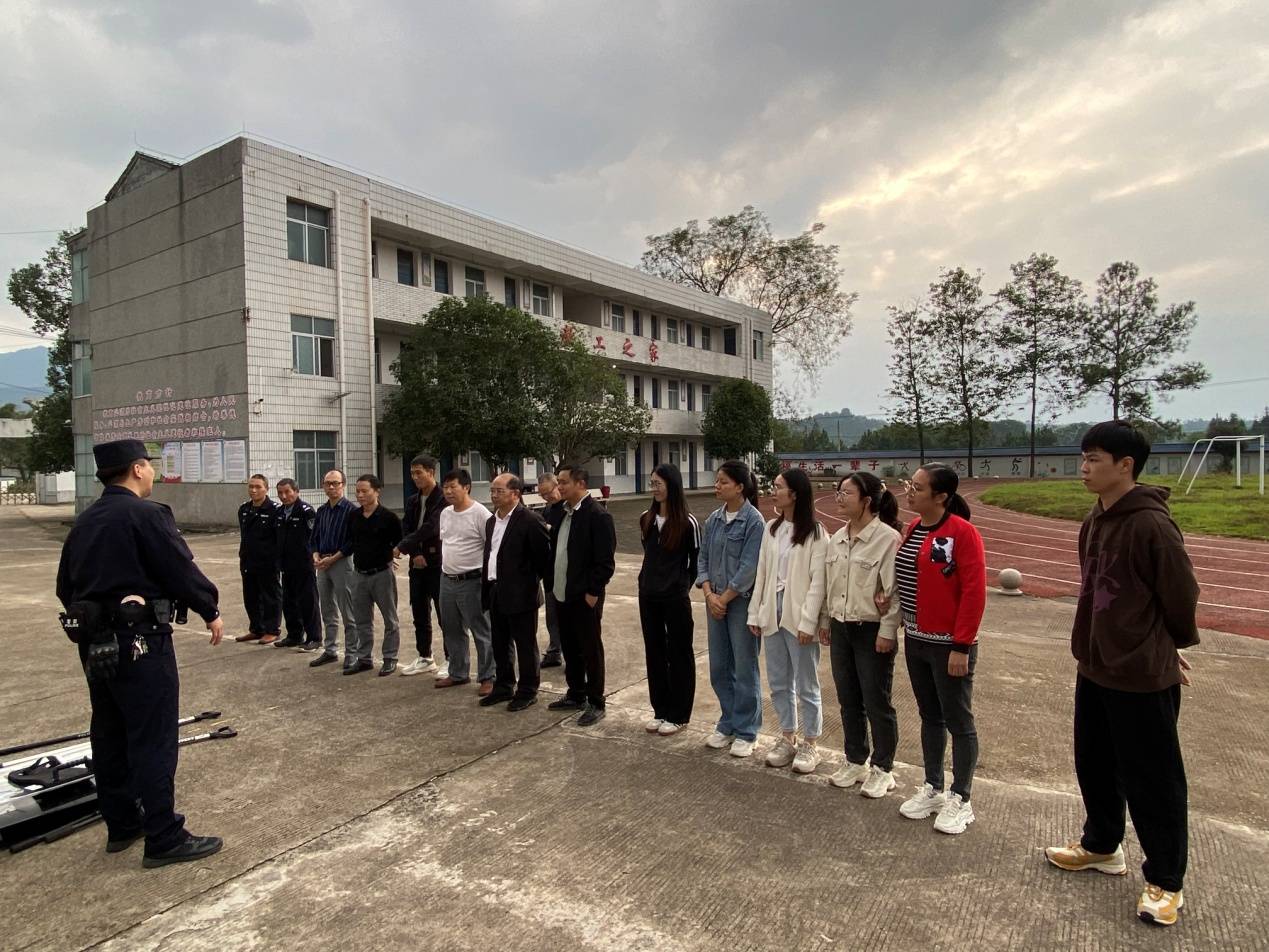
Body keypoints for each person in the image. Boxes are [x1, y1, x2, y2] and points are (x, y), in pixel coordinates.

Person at [1044, 421, 1200, 927]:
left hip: (1140, 673)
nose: (1084, 469)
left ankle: (1166, 880)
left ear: (1125, 465)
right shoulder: (1095, 519)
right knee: (1093, 761)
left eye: (1094, 459)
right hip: (1095, 665)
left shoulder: (1152, 525)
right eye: (1084, 459)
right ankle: (1101, 845)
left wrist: (1168, 646)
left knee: (1153, 779)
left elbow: (1181, 594)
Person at [55, 439, 224, 867]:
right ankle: (164, 836)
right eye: (148, 465)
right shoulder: (147, 515)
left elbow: (64, 588)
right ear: (136, 469)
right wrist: (209, 607)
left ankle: (122, 824)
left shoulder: (85, 522)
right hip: (140, 642)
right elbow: (179, 569)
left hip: (95, 646)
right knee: (152, 737)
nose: (151, 472)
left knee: (110, 732)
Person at [894, 463, 986, 835]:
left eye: (917, 487)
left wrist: (961, 646)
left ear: (941, 496)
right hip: (916, 639)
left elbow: (974, 593)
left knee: (958, 721)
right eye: (909, 485)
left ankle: (960, 798)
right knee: (929, 715)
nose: (909, 491)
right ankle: (932, 786)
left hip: (950, 644)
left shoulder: (962, 534)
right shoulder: (914, 528)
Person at [818, 471, 902, 799]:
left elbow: (892, 594)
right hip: (841, 627)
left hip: (870, 631)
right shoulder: (838, 537)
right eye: (838, 492)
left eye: (846, 493)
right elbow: (830, 586)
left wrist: (887, 631)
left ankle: (883, 768)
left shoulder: (886, 539)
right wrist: (826, 621)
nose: (839, 498)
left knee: (876, 699)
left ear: (866, 501)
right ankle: (855, 759)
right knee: (848, 699)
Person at [748, 468, 828, 774]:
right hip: (773, 611)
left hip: (798, 614)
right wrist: (757, 612)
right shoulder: (772, 528)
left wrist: (808, 623)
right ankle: (787, 736)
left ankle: (811, 742)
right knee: (779, 681)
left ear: (794, 494)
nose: (773, 490)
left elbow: (818, 582)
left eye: (779, 487)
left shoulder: (816, 533)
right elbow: (763, 574)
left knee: (806, 682)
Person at [696, 460, 765, 758]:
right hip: (715, 603)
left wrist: (723, 599)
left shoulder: (754, 521)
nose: (717, 485)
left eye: (723, 481)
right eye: (717, 481)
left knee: (744, 666)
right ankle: (728, 722)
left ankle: (747, 730)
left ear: (740, 486)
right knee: (719, 667)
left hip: (740, 604)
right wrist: (710, 594)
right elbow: (703, 560)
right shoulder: (713, 519)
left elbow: (749, 566)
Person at [546, 465, 616, 726]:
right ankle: (576, 693)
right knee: (571, 647)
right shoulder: (559, 512)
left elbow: (606, 562)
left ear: (581, 484)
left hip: (584, 595)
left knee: (590, 649)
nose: (559, 487)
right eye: (558, 482)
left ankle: (596, 701)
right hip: (562, 592)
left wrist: (593, 592)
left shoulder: (597, 516)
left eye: (564, 482)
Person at [638, 463, 700, 736]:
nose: (654, 488)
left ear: (672, 485)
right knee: (654, 652)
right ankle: (660, 709)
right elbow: (649, 555)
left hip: (675, 597)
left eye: (658, 483)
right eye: (652, 483)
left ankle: (679, 714)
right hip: (648, 596)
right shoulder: (646, 518)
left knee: (679, 653)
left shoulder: (688, 522)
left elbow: (695, 563)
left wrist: (680, 586)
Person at [481, 473, 552, 710]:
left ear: (515, 494)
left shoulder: (531, 520)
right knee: (499, 642)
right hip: (495, 590)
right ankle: (503, 686)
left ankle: (528, 690)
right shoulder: (492, 521)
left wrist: (527, 584)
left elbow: (543, 561)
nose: (493, 495)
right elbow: (490, 556)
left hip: (521, 593)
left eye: (499, 491)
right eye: (492, 490)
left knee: (525, 644)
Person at [434, 469, 495, 692]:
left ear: (466, 487)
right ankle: (458, 672)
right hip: (447, 579)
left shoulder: (480, 514)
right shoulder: (445, 513)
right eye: (445, 487)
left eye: (453, 487)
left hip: (472, 580)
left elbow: (491, 547)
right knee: (451, 628)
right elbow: (447, 542)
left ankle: (488, 676)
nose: (448, 491)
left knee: (481, 629)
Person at [345, 473, 402, 676]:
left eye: (364, 491)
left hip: (382, 575)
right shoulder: (354, 516)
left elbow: (399, 542)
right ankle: (364, 658)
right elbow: (351, 542)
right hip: (359, 575)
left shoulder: (389, 517)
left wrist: (392, 555)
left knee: (390, 619)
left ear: (377, 491)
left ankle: (390, 658)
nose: (360, 495)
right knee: (361, 619)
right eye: (357, 491)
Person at [395, 455, 445, 676]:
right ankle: (425, 656)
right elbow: (406, 527)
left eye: (419, 473)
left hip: (438, 563)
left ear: (431, 472)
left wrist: (401, 547)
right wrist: (413, 552)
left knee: (445, 614)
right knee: (419, 611)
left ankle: (452, 658)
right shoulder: (413, 500)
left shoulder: (443, 498)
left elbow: (431, 527)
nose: (415, 477)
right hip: (417, 564)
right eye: (412, 473)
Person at [308, 469, 356, 668]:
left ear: (343, 485)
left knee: (348, 611)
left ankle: (353, 652)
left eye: (336, 483)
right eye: (328, 483)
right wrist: (316, 556)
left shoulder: (351, 511)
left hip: (342, 563)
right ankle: (330, 650)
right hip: (322, 564)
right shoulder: (322, 511)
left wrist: (333, 558)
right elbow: (314, 538)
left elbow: (352, 541)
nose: (332, 487)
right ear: (323, 486)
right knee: (327, 609)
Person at [273, 478, 320, 650]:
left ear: (296, 491)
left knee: (308, 602)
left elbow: (313, 537)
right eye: (280, 493)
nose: (284, 496)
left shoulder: (306, 511)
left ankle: (314, 637)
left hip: (303, 565)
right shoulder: (279, 512)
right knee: (289, 602)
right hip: (286, 565)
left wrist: (312, 557)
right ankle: (294, 635)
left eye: (287, 492)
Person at [235, 474, 281, 644]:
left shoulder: (275, 510)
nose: (253, 490)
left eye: (258, 487)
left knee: (270, 596)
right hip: (248, 560)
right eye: (251, 487)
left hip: (267, 562)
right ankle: (256, 628)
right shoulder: (244, 509)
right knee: (251, 596)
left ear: (266, 489)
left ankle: (272, 629)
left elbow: (278, 539)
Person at [536, 472, 564, 668]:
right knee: (552, 615)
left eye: (549, 492)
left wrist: (549, 529)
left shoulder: (568, 509)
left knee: (568, 618)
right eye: (543, 495)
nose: (548, 497)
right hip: (550, 572)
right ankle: (554, 651)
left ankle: (573, 656)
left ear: (557, 485)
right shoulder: (547, 510)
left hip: (565, 572)